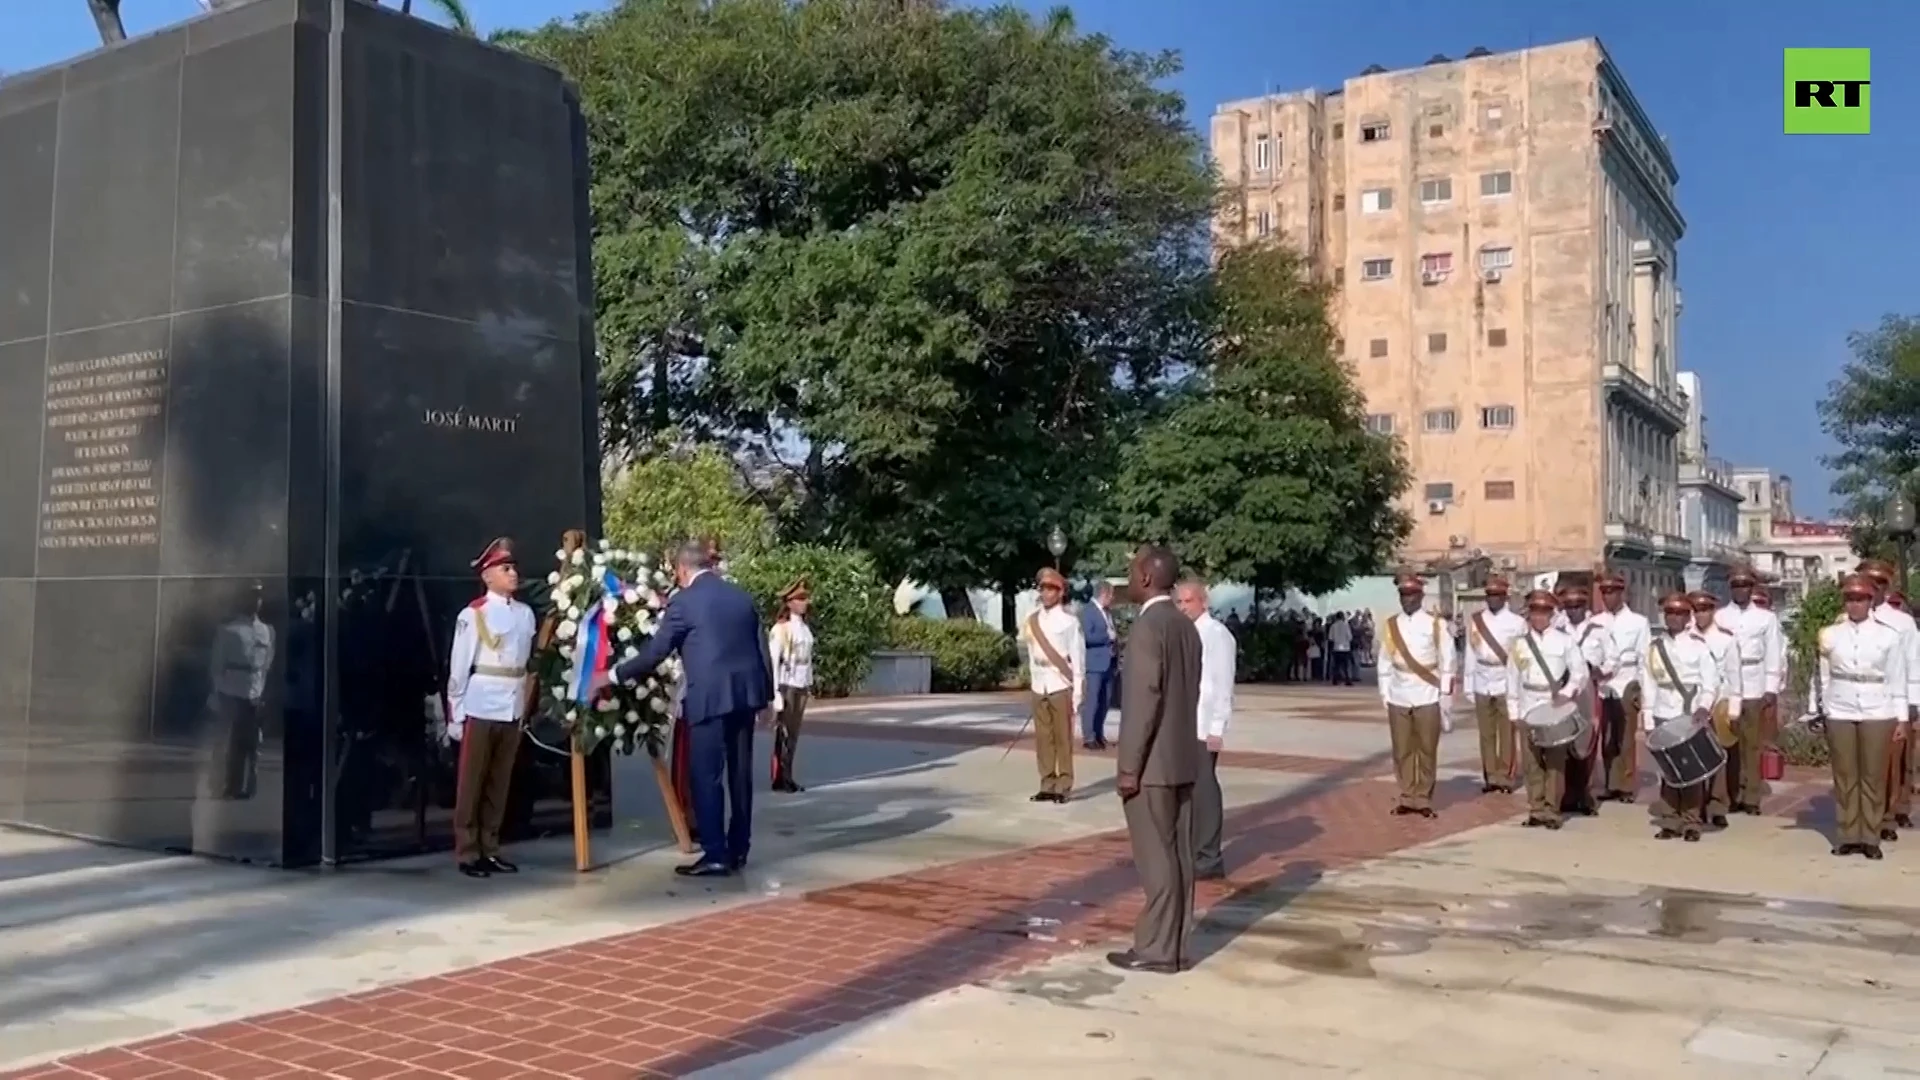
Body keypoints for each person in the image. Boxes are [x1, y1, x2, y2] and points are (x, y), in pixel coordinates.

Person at [607, 541, 773, 877]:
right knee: (740, 776)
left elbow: (656, 654)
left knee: (705, 777)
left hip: (709, 700)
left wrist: (613, 674)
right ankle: (739, 848)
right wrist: (767, 698)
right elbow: (761, 649)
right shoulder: (741, 596)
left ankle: (715, 854)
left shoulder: (683, 602)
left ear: (682, 570)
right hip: (744, 697)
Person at [1109, 545, 1201, 974]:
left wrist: (1129, 766)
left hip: (1152, 764)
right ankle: (1177, 944)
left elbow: (1144, 702)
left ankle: (1156, 949)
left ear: (1146, 577)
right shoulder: (1187, 627)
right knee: (1180, 855)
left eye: (1131, 570)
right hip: (1183, 757)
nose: (1128, 578)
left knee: (1156, 857)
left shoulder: (1148, 628)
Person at [445, 538, 537, 879]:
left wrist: (525, 705)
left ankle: (491, 846)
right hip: (481, 702)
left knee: (499, 782)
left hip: (511, 703)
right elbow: (458, 667)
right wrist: (455, 713)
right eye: (505, 568)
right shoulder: (473, 615)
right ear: (487, 575)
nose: (513, 574)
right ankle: (468, 851)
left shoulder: (525, 614)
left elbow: (526, 663)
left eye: (513, 567)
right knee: (472, 782)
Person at [1817, 573, 1908, 859]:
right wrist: (1819, 708)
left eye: (1860, 599)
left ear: (1871, 601)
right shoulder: (1830, 634)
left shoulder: (1888, 636)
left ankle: (1870, 836)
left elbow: (1897, 678)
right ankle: (1847, 834)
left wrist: (1902, 717)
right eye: (1850, 599)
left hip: (1878, 708)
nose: (1854, 604)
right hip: (1840, 706)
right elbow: (1821, 675)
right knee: (1845, 776)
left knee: (1873, 776)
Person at [1643, 592, 1721, 842]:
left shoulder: (1699, 646)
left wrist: (1704, 707)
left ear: (1688, 617)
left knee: (1691, 771)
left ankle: (1691, 821)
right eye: (1670, 613)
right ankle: (1669, 820)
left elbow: (1711, 682)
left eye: (1679, 613)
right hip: (1664, 711)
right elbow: (1649, 684)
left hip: (1690, 714)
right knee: (1668, 771)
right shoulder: (1655, 648)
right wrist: (1647, 718)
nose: (1674, 618)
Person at [1378, 574, 1457, 818]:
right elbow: (1385, 661)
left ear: (1421, 597)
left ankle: (1422, 798)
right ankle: (1406, 795)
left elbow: (1448, 661)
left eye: (1412, 595)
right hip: (1399, 694)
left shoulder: (1435, 624)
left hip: (1428, 693)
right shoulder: (1392, 625)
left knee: (1426, 749)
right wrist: (1385, 693)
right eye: (1403, 595)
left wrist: (1445, 696)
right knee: (1402, 750)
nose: (1407, 600)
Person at [1507, 589, 1587, 830]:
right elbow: (1512, 677)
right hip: (1528, 702)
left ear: (1551, 615)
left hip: (1553, 703)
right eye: (1534, 612)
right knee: (1532, 762)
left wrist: (1567, 693)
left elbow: (1579, 671)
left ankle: (1552, 809)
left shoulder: (1564, 640)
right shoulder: (1519, 644)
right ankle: (1536, 808)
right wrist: (1513, 711)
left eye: (1543, 613)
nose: (1539, 617)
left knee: (1554, 761)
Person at [1177, 578, 1237, 881]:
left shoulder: (1217, 635)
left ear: (1204, 601)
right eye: (1180, 602)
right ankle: (1191, 848)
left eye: (1189, 601)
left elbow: (1223, 683)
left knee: (1204, 787)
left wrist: (1217, 726)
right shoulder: (1183, 633)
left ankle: (1209, 856)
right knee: (1187, 789)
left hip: (1204, 724)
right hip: (1183, 723)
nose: (1184, 607)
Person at [1857, 559, 1919, 837]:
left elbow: (1913, 664)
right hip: (1859, 699)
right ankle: (1864, 814)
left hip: (1893, 699)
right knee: (1864, 762)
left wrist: (1912, 702)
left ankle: (1889, 815)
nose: (1875, 588)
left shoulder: (1902, 622)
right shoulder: (1849, 616)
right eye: (1869, 582)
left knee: (1894, 763)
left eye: (1880, 583)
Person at [1715, 567, 1784, 817]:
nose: (1740, 590)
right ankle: (1731, 795)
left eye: (1744, 586)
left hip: (1754, 682)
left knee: (1752, 744)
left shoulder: (1766, 618)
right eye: (1736, 586)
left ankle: (1751, 796)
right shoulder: (1720, 617)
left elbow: (1773, 653)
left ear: (1751, 588)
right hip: (1727, 686)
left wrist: (1771, 688)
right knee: (1727, 743)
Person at [1023, 567, 1085, 803]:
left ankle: (1064, 784)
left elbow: (1078, 658)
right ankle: (1047, 782)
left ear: (1060, 593)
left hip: (1059, 682)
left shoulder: (1069, 622)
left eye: (1051, 589)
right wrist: (1032, 683)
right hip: (1040, 683)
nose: (1046, 593)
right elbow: (1031, 654)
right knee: (1043, 737)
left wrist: (1078, 691)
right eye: (1043, 589)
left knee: (1062, 738)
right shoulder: (1033, 619)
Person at [1557, 583, 1617, 816]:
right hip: (1565, 690)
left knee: (1588, 742)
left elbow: (1613, 658)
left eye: (1577, 606)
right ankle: (1566, 795)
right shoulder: (1558, 629)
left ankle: (1586, 795)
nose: (1573, 611)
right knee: (1564, 742)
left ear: (1585, 606)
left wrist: (1601, 672)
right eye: (1568, 606)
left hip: (1589, 691)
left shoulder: (1598, 630)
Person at [1465, 576, 1527, 795]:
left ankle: (1506, 776)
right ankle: (1490, 776)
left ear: (1505, 597)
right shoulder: (1476, 620)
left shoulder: (1517, 623)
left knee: (1507, 733)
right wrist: (1468, 683)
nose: (1493, 599)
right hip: (1482, 678)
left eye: (1497, 596)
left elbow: (1521, 657)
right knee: (1486, 734)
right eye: (1489, 595)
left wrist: (1520, 685)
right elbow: (1470, 652)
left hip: (1505, 680)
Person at [1688, 591, 1744, 828]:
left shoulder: (1726, 639)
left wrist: (1734, 707)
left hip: (1719, 702)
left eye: (1705, 610)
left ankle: (1718, 805)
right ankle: (1696, 805)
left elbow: (1734, 675)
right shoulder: (1686, 638)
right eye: (1697, 610)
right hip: (1693, 705)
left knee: (1719, 757)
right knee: (1695, 757)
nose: (1701, 615)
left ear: (1712, 611)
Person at [1594, 573, 1650, 803]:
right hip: (1603, 685)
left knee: (1626, 738)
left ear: (1621, 594)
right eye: (1604, 593)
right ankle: (1610, 783)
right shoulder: (1596, 622)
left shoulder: (1638, 622)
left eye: (1612, 593)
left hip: (1627, 680)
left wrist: (1642, 690)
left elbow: (1645, 658)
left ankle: (1626, 785)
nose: (1608, 597)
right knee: (1607, 738)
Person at [768, 577, 815, 794]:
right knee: (785, 734)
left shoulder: (805, 628)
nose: (805, 602)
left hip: (801, 684)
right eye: (800, 599)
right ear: (789, 602)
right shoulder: (781, 629)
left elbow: (808, 659)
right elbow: (774, 661)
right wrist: (775, 692)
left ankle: (786, 775)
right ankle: (782, 777)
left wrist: (809, 683)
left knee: (793, 734)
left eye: (805, 598)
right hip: (787, 685)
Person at [1080, 581, 1119, 750]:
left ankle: (1099, 733)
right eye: (1111, 595)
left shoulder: (1107, 612)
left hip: (1109, 662)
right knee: (1092, 701)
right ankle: (1089, 737)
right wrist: (1107, 637)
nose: (1112, 599)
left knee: (1105, 700)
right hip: (1094, 663)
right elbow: (1086, 637)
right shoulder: (1088, 612)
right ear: (1104, 594)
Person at [1327, 611, 1355, 685]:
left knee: (1336, 665)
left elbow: (1330, 638)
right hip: (1345, 648)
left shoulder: (1333, 626)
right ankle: (1347, 680)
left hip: (1336, 647)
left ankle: (1335, 680)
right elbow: (1350, 637)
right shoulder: (1346, 625)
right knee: (1346, 666)